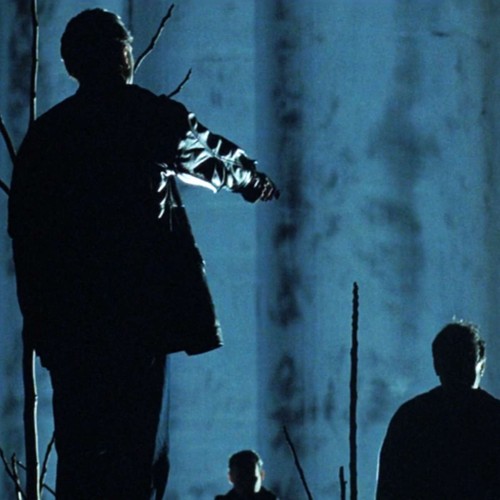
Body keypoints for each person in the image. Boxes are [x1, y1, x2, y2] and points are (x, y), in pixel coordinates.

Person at [8, 8, 279, 500]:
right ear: (124, 56)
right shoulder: (147, 116)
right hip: (138, 323)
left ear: (72, 64)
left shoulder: (46, 138)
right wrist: (253, 181)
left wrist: (42, 329)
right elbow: (210, 156)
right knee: (138, 459)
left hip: (71, 330)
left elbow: (26, 244)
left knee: (81, 461)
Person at [376, 321, 500, 500]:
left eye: (464, 359)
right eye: (454, 360)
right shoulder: (494, 417)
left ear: (436, 365)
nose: (458, 367)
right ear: (481, 365)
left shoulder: (410, 417)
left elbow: (388, 490)